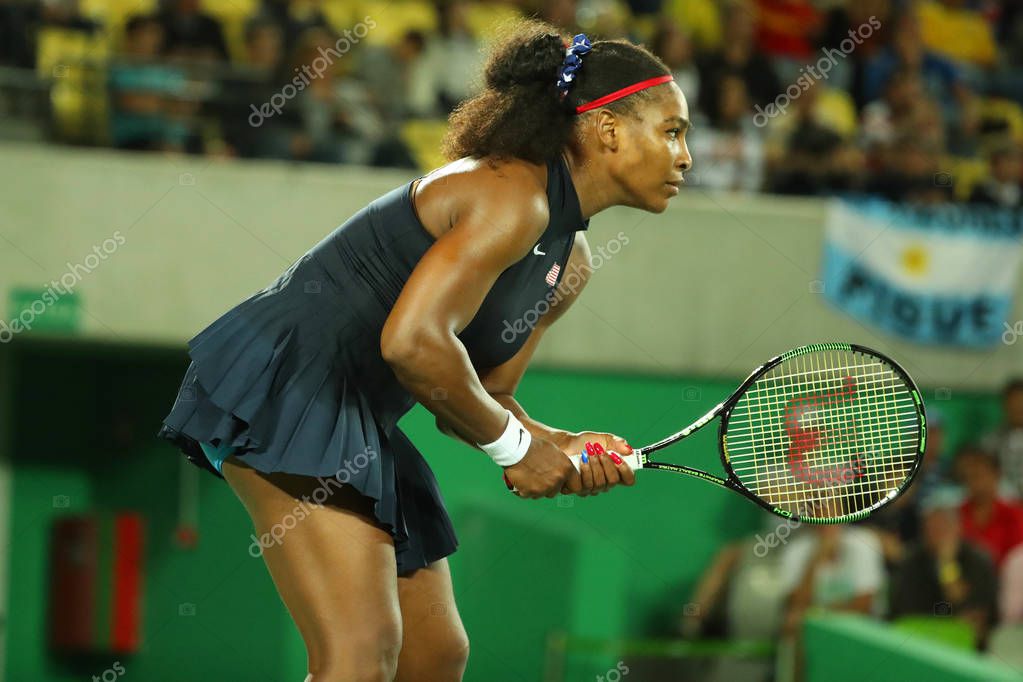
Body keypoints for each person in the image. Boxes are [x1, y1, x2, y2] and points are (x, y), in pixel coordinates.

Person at [157, 20, 691, 682]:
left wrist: (560, 443)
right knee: (359, 655)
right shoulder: (510, 195)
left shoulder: (569, 265)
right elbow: (412, 344)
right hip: (285, 383)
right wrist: (518, 452)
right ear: (608, 131)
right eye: (671, 131)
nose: (685, 156)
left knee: (432, 656)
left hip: (358, 416)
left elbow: (478, 399)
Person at [890, 490, 998, 649]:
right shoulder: (912, 561)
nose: (938, 534)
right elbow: (904, 611)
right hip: (916, 640)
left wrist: (947, 565)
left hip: (963, 644)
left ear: (958, 528)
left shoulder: (978, 561)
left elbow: (976, 616)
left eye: (944, 527)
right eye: (932, 527)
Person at [957, 445, 1023, 569]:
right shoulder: (956, 517)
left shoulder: (1015, 515)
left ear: (997, 475)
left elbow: (1018, 560)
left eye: (982, 475)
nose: (978, 483)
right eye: (971, 477)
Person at [981, 378, 1023, 498]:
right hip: (1003, 502)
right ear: (1005, 405)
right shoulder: (991, 440)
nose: (1018, 407)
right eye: (1014, 402)